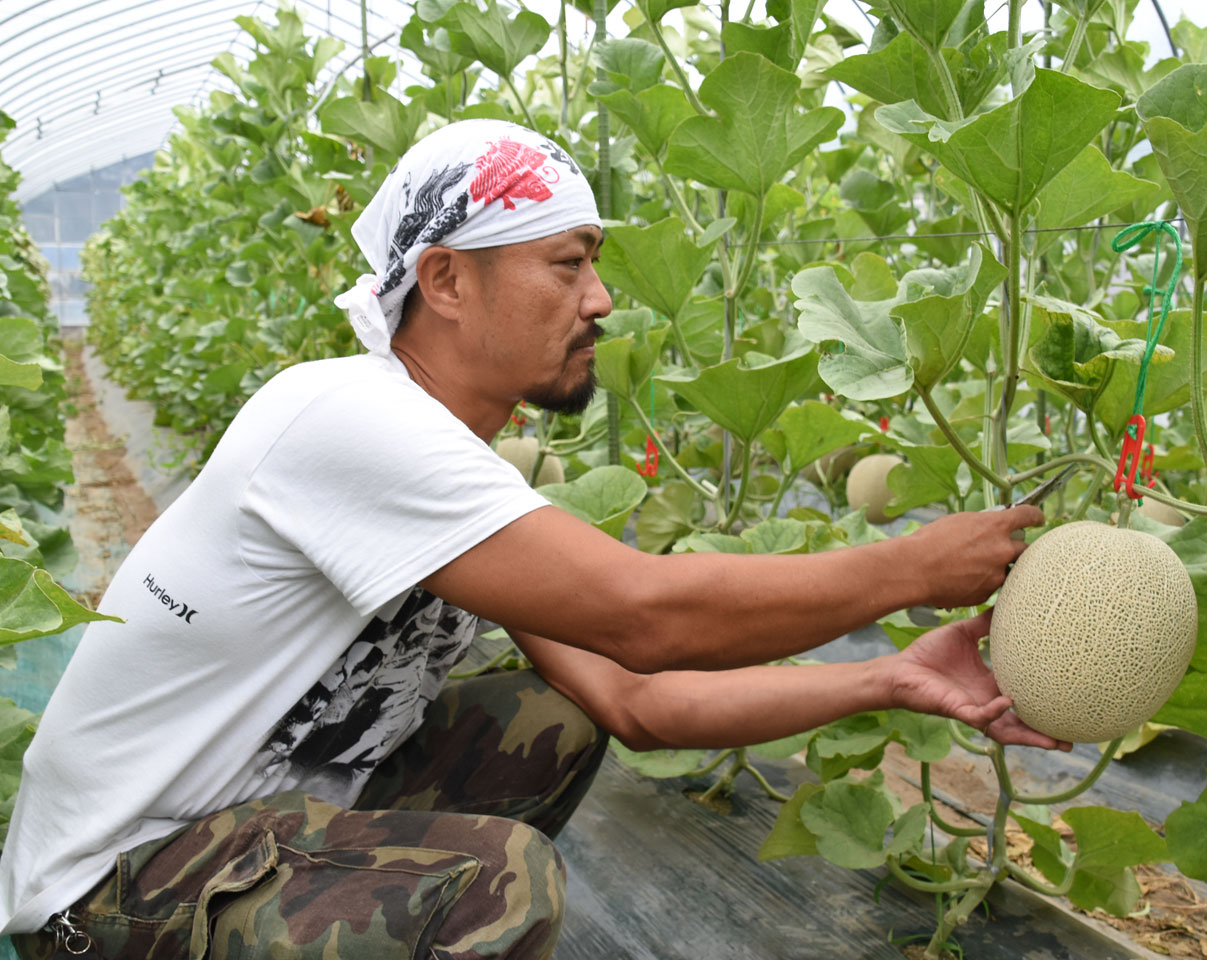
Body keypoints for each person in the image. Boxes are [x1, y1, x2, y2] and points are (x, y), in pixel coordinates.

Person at [0, 119, 1062, 960]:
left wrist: (892, 681)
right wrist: (911, 568)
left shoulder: (457, 472)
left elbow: (634, 702)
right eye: (566, 263)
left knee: (542, 718)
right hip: (108, 894)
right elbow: (646, 615)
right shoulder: (343, 420)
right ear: (448, 281)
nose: (600, 299)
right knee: (494, 883)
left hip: (249, 837)